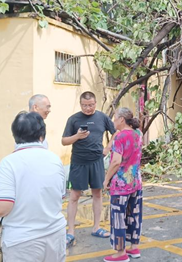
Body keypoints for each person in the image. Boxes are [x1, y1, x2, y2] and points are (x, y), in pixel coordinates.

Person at [0, 112, 67, 261]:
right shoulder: (55, 159)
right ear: (41, 135)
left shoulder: (9, 163)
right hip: (55, 235)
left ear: (15, 135)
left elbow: (2, 206)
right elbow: (60, 195)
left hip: (22, 241)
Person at [62, 91, 117, 247]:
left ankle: (96, 227)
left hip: (96, 161)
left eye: (91, 105)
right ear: (81, 105)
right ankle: (70, 231)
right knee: (74, 196)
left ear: (95, 103)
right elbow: (64, 141)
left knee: (97, 193)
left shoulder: (102, 117)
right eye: (85, 105)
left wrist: (107, 149)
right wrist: (77, 137)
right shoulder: (73, 119)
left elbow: (116, 132)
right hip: (78, 162)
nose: (88, 108)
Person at [103, 107, 143, 262]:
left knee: (118, 217)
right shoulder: (138, 134)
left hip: (121, 184)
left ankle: (120, 252)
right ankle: (134, 247)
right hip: (135, 181)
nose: (113, 121)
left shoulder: (120, 137)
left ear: (121, 119)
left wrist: (106, 179)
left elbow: (116, 161)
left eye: (115, 118)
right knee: (134, 214)